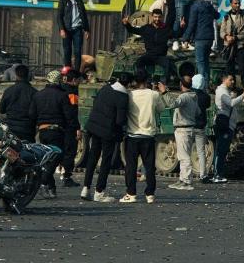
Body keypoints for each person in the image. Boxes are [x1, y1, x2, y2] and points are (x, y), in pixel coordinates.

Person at [81, 74, 130, 203]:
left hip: (94, 126)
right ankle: (99, 191)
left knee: (93, 156)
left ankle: (86, 188)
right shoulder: (123, 96)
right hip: (108, 131)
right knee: (105, 161)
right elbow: (120, 120)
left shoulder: (105, 88)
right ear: (129, 84)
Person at [120, 70, 165, 203]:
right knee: (150, 166)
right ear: (147, 80)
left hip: (132, 135)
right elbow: (161, 109)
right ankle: (150, 194)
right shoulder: (153, 94)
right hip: (148, 136)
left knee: (131, 166)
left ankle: (131, 193)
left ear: (134, 81)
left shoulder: (129, 94)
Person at [29, 70, 75, 199]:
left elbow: (32, 114)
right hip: (57, 131)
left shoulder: (38, 95)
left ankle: (51, 188)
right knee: (56, 157)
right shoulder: (62, 96)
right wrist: (73, 129)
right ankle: (43, 181)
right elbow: (69, 116)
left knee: (47, 158)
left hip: (43, 131)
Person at [158, 77, 200, 191]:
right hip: (189, 127)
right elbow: (198, 112)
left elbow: (172, 104)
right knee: (183, 155)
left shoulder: (184, 96)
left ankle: (186, 181)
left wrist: (164, 92)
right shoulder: (194, 97)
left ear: (181, 84)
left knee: (184, 156)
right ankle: (182, 179)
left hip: (183, 128)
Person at [213, 72, 244, 183]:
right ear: (224, 80)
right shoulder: (221, 91)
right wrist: (243, 95)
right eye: (231, 79)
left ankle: (219, 173)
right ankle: (217, 174)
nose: (233, 81)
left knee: (223, 150)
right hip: (224, 124)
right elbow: (231, 103)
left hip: (228, 124)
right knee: (221, 150)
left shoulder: (226, 91)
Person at [122, 9, 174, 82]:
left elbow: (177, 34)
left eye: (159, 17)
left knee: (168, 64)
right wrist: (126, 24)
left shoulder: (166, 29)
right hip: (149, 55)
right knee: (139, 62)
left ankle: (164, 83)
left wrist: (182, 27)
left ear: (161, 17)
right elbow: (133, 30)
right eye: (155, 17)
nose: (157, 19)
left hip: (160, 56)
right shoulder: (146, 28)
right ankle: (144, 79)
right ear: (152, 17)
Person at [182, 0, 220, 78]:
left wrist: (185, 38)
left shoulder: (195, 6)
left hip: (200, 37)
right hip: (209, 37)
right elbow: (217, 15)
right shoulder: (209, 5)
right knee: (206, 62)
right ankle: (206, 84)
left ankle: (201, 86)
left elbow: (191, 24)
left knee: (200, 62)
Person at [0, 64, 37, 142]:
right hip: (28, 129)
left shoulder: (8, 91)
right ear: (28, 75)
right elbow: (36, 112)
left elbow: (1, 110)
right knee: (28, 152)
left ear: (16, 75)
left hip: (11, 128)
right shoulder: (34, 92)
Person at [57, 0, 90, 71]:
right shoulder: (63, 1)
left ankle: (76, 72)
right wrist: (62, 29)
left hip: (77, 30)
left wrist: (87, 30)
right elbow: (59, 17)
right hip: (67, 30)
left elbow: (84, 15)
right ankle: (68, 71)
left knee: (77, 51)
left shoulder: (79, 1)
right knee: (67, 51)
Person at [220, 0, 244, 85]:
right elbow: (222, 31)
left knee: (242, 68)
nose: (237, 5)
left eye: (239, 3)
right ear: (231, 4)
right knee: (230, 69)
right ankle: (232, 89)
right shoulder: (226, 16)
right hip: (229, 46)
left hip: (240, 45)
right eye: (235, 3)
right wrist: (226, 37)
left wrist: (235, 37)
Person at [60, 67, 82, 187]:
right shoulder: (72, 92)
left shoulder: (61, 88)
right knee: (70, 151)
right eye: (78, 80)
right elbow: (72, 111)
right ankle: (67, 176)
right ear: (73, 80)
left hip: (60, 124)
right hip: (69, 127)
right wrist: (77, 127)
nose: (79, 83)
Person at [191, 74, 212, 184]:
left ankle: (185, 175)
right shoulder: (206, 97)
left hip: (189, 126)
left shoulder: (189, 95)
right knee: (201, 152)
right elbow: (207, 106)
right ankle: (203, 175)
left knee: (185, 152)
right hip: (201, 126)